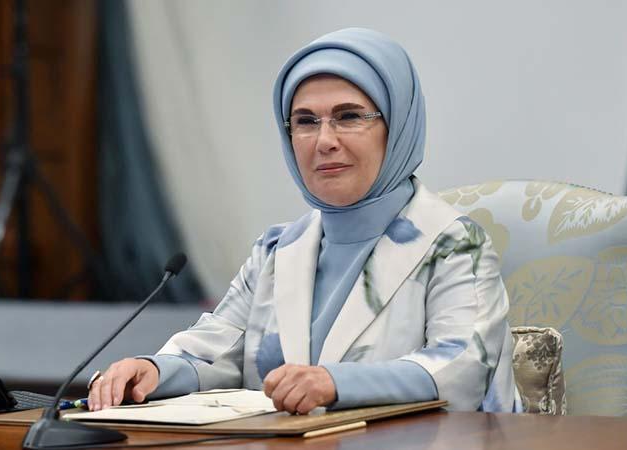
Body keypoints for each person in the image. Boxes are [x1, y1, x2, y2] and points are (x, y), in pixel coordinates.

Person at [88, 28, 520, 414]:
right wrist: (152, 371)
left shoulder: (454, 244)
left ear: (398, 126)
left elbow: (461, 368)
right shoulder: (277, 251)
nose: (324, 141)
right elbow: (216, 350)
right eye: (305, 122)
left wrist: (336, 384)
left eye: (349, 116)